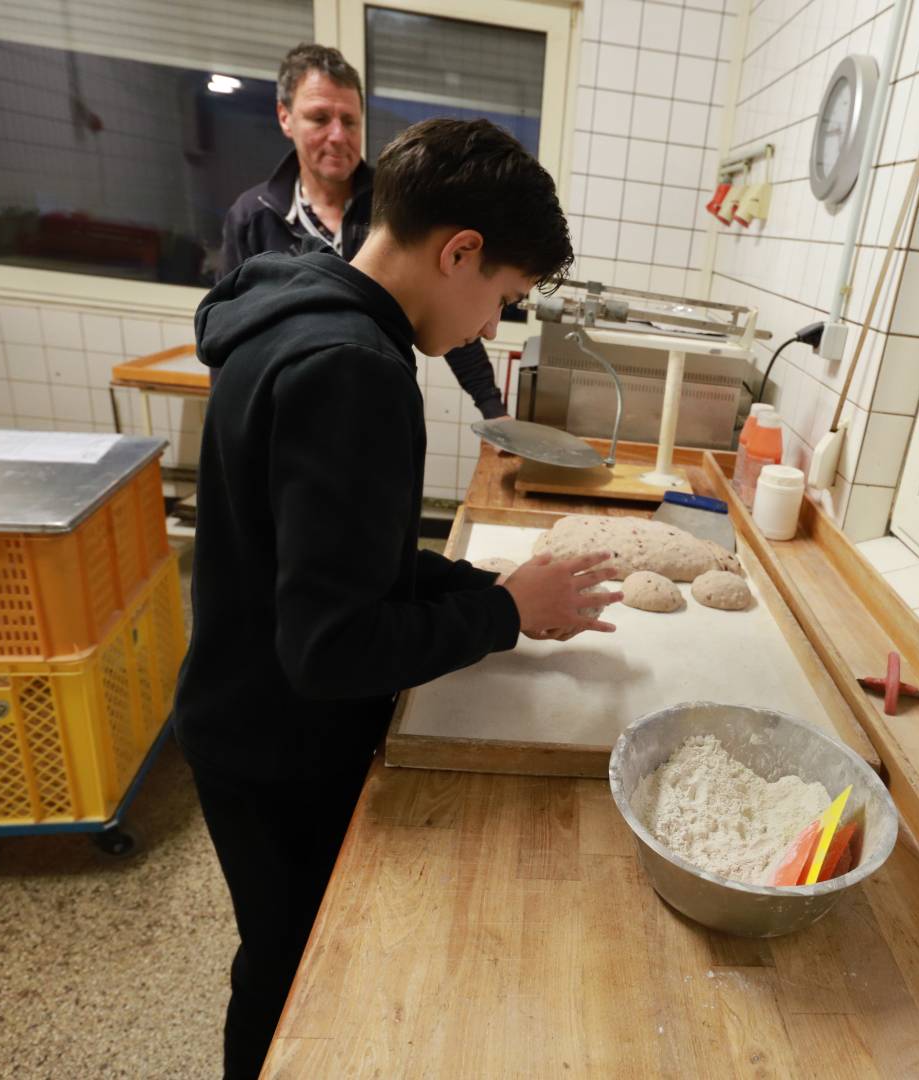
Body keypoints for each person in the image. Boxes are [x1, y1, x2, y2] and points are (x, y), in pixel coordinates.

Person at [175, 118, 621, 1079]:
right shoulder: (356, 371)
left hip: (237, 713)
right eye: (503, 297)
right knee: (289, 970)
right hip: (282, 749)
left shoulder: (293, 307)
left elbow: (348, 561)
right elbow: (332, 645)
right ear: (459, 251)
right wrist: (500, 616)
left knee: (275, 952)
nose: (491, 327)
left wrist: (496, 592)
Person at [217, 43, 509, 420]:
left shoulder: (397, 206)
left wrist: (493, 408)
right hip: (283, 413)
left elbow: (449, 300)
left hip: (372, 405)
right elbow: (230, 336)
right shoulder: (252, 216)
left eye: (350, 121)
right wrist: (231, 421)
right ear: (285, 118)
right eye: (320, 119)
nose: (338, 136)